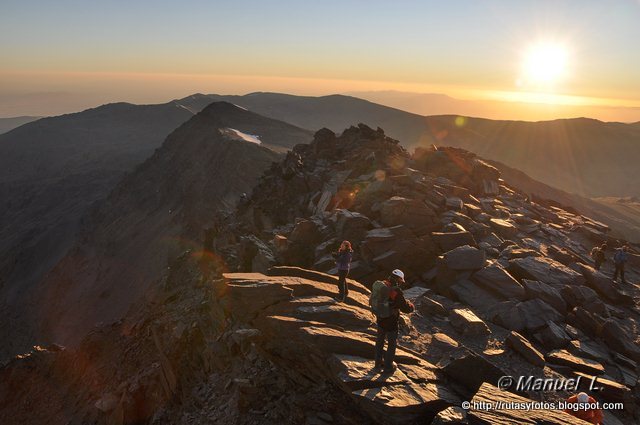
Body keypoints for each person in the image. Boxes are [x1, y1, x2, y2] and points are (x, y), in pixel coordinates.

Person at [371, 269, 414, 373]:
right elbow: (404, 307)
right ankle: (388, 367)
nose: (401, 283)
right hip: (391, 320)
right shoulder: (396, 290)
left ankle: (377, 364)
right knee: (391, 344)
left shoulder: (382, 284)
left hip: (380, 318)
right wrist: (411, 306)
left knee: (380, 341)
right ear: (398, 279)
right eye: (401, 281)